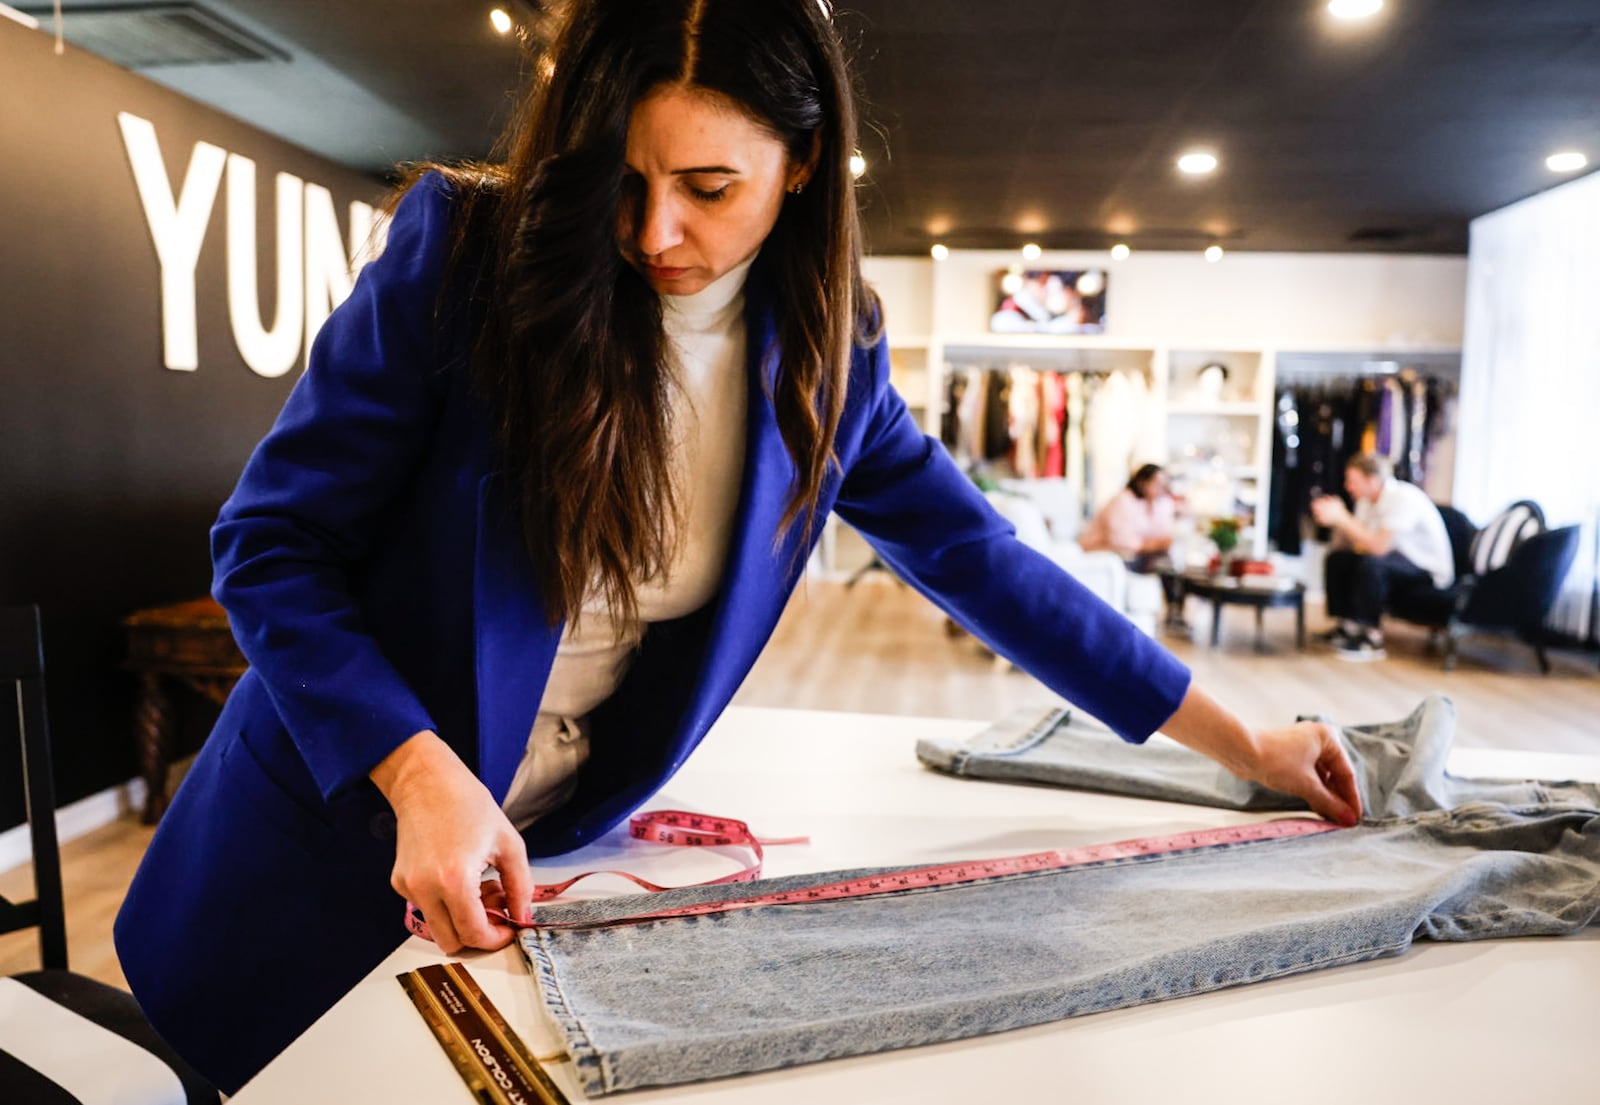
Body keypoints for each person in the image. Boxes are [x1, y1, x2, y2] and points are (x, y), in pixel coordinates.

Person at [114, 0, 1363, 1092]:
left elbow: (985, 565)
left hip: (551, 860)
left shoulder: (832, 350)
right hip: (320, 851)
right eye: (620, 176)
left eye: (709, 189)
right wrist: (418, 772)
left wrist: (1246, 742)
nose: (655, 233)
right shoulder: (463, 258)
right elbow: (271, 546)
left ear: (803, 163)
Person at [1311, 453, 1454, 661]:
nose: (1347, 486)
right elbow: (1356, 543)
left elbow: (1378, 547)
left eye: (1352, 481)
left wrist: (1342, 519)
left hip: (1426, 569)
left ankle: (1371, 638)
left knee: (1372, 565)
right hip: (1395, 560)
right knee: (1338, 558)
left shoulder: (1404, 498)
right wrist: (1337, 522)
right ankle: (1348, 628)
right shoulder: (1365, 502)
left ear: (1372, 480)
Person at [1079, 462, 1176, 572]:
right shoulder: (1123, 500)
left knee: (1165, 563)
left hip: (1130, 556)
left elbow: (1164, 534)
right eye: (1158, 483)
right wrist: (1153, 544)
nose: (1163, 488)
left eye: (1165, 484)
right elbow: (1120, 541)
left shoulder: (1158, 504)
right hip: (1103, 553)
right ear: (1143, 483)